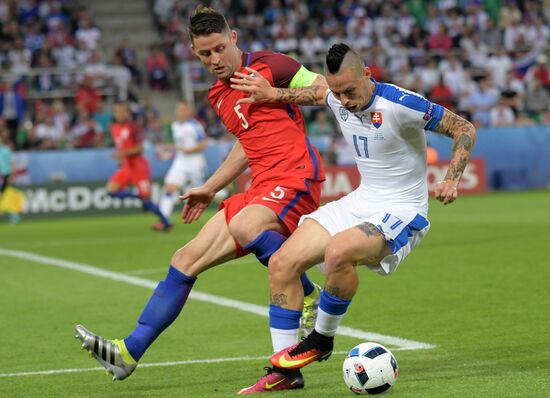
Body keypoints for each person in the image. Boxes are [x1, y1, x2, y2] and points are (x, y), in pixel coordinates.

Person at [74, 5, 326, 388]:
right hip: (260, 185)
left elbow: (325, 91)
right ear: (193, 52)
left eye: (220, 48)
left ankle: (306, 302)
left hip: (295, 174)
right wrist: (210, 186)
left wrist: (275, 93)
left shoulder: (272, 65)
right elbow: (247, 144)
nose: (215, 59)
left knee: (245, 225)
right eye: (205, 53)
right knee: (185, 258)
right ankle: (127, 353)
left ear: (233, 38)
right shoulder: (217, 95)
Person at [230, 43, 476, 393]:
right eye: (337, 92)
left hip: (402, 208)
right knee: (283, 262)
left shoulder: (401, 104)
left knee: (338, 252)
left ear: (368, 74)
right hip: (361, 200)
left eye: (349, 91)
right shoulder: (335, 95)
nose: (343, 100)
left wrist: (452, 176)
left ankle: (321, 338)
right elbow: (316, 94)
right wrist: (273, 94)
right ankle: (284, 371)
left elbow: (463, 128)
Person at [106, 101, 171, 230]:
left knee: (146, 200)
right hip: (127, 167)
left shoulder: (132, 127)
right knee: (110, 191)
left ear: (127, 113)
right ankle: (137, 196)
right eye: (117, 111)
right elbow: (121, 146)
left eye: (122, 111)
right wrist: (121, 158)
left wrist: (121, 154)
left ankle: (166, 223)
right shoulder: (113, 127)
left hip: (138, 166)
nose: (120, 114)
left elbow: (140, 148)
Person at [152, 100, 209, 232]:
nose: (181, 112)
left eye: (183, 109)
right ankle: (165, 220)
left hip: (195, 161)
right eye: (179, 110)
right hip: (181, 161)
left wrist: (190, 150)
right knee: (169, 187)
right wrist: (169, 148)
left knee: (204, 190)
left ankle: (225, 194)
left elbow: (203, 144)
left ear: (189, 111)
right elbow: (179, 145)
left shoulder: (195, 125)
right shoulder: (175, 126)